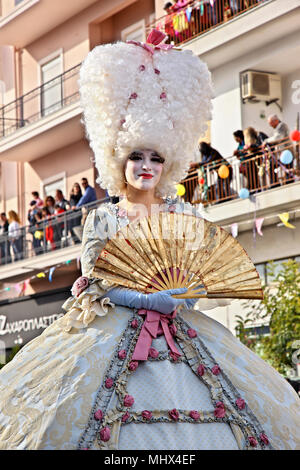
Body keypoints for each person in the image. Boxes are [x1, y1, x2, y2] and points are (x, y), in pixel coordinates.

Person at [0, 31, 299, 451]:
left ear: (170, 161)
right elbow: (97, 279)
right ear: (117, 159)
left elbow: (198, 278)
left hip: (184, 335)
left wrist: (182, 297)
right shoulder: (103, 217)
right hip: (109, 333)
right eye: (136, 156)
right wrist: (145, 300)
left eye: (156, 157)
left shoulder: (184, 215)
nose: (146, 166)